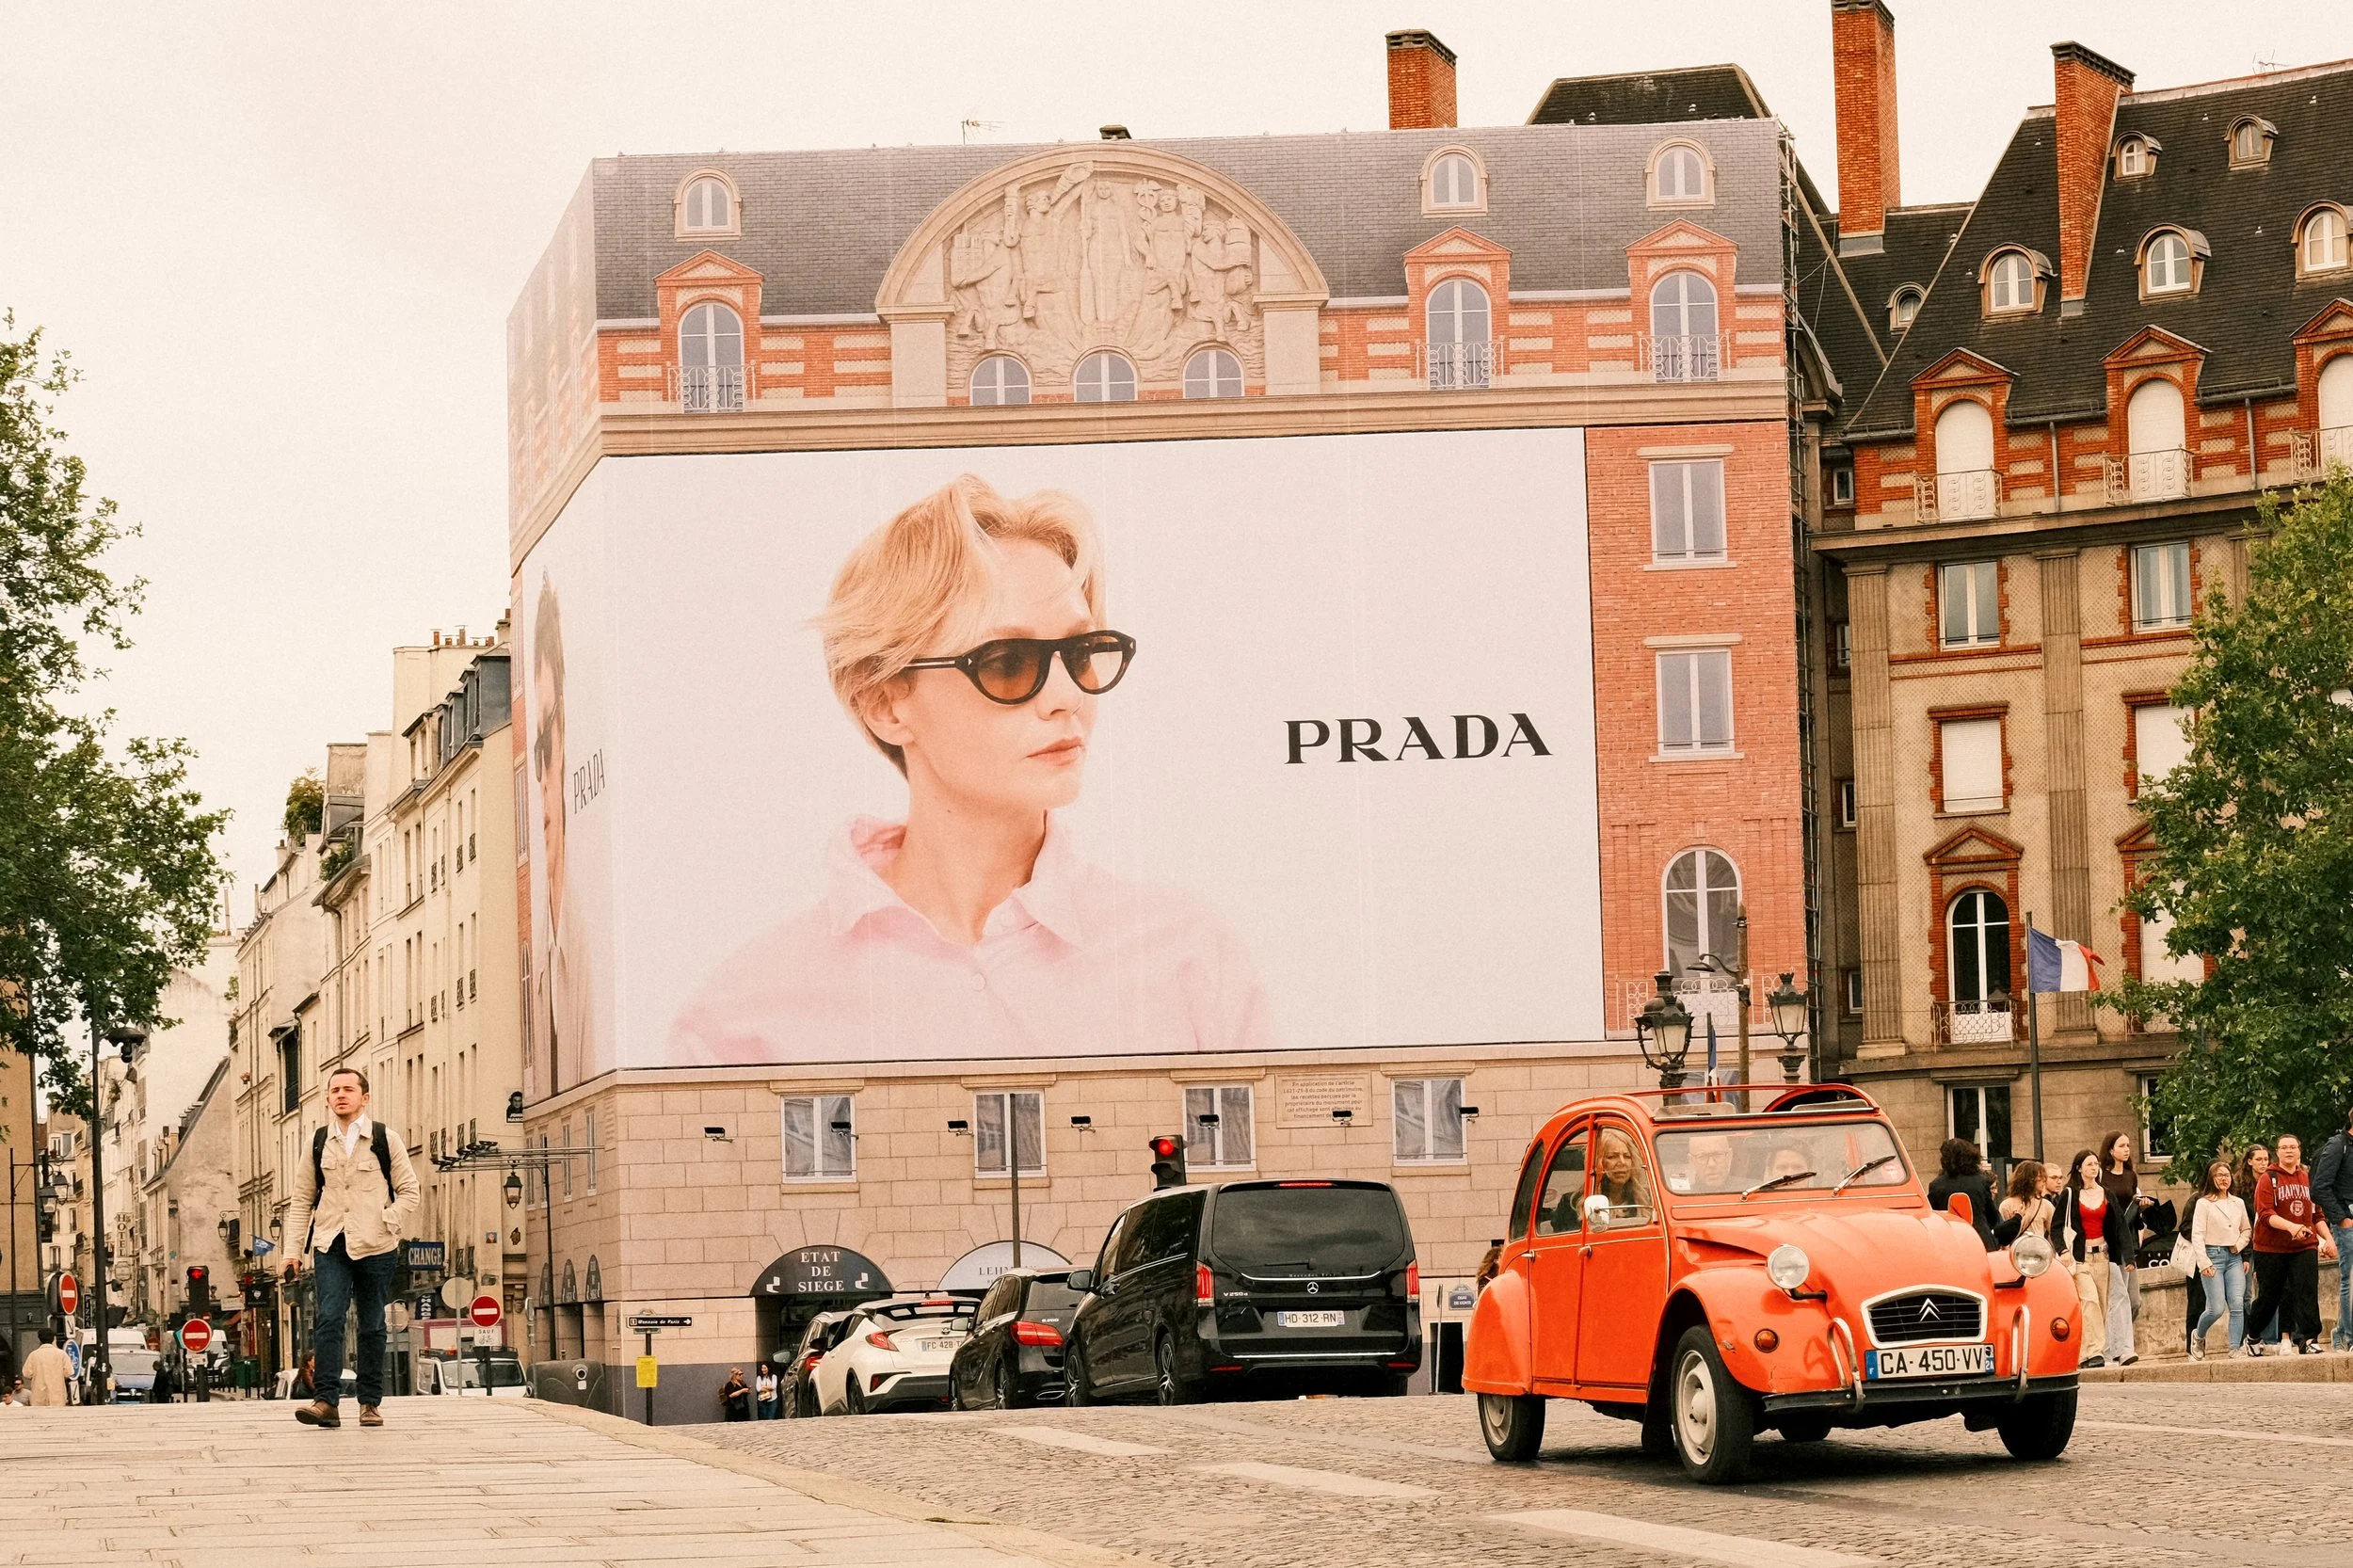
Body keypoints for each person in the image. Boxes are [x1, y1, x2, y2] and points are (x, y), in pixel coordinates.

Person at [669, 476, 1273, 1068]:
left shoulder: (1188, 960)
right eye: (1007, 662)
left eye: (1083, 651)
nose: (1066, 696)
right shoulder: (741, 1021)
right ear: (884, 703)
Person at [281, 1065, 422, 1430]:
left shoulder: (384, 1139)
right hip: (331, 1241)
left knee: (372, 1323)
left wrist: (388, 1219)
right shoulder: (317, 1143)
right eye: (334, 1090)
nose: (341, 1095)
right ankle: (325, 1401)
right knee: (329, 1317)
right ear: (327, 1099)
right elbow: (301, 1201)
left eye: (348, 1089)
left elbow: (410, 1191)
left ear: (365, 1097)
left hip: (376, 1243)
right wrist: (291, 1252)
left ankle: (370, 1403)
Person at [2249, 1131, 2332, 1355]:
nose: (2288, 1151)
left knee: (2307, 1292)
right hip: (2271, 1248)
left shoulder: (2307, 1179)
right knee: (2269, 1297)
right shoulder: (2269, 1178)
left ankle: (2308, 1339)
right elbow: (2265, 1213)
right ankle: (2253, 1335)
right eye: (2284, 1147)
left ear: (2299, 1151)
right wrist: (2292, 1227)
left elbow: (2317, 1216)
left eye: (2292, 1147)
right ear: (2277, 1152)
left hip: (2304, 1246)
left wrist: (2329, 1239)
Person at [2096, 1129, 2153, 1365]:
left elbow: (2131, 1207)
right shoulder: (2102, 1176)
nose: (2127, 1149)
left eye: (2128, 1145)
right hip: (2111, 1242)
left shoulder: (2130, 1175)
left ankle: (2117, 1343)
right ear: (2110, 1150)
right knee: (2117, 1297)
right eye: (2121, 1146)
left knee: (2134, 1300)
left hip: (2129, 1240)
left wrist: (2142, 1206)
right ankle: (2118, 1349)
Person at [2188, 1158, 2252, 1359]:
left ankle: (2235, 1347)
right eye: (2219, 1176)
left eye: (2226, 1175)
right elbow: (2197, 1235)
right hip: (2212, 1255)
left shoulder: (2238, 1202)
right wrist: (2204, 1262)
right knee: (2216, 1308)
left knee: (2237, 1303)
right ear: (2212, 1178)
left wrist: (2240, 1246)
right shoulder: (2203, 1203)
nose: (2224, 1179)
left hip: (2233, 1255)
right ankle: (2198, 1335)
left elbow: (2247, 1229)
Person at [2053, 1149, 2111, 1368]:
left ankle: (2084, 1354)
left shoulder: (2106, 1193)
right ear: (2079, 1168)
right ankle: (2095, 1353)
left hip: (2103, 1255)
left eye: (2096, 1164)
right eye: (2089, 1164)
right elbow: (2057, 1226)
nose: (2094, 1168)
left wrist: (2126, 1254)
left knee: (2102, 1306)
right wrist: (2063, 1251)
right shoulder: (2070, 1194)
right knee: (2089, 1302)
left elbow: (2117, 1226)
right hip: (2081, 1257)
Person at [2314, 1103, 2353, 1352]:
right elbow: (2319, 1187)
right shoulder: (2338, 1145)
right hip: (2348, 1218)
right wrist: (2342, 1218)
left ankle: (2342, 1331)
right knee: (2350, 1279)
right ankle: (2347, 1336)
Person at [1928, 1138, 1999, 1251]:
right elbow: (1993, 1217)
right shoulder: (1980, 1181)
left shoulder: (1936, 1185)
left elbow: (1932, 1217)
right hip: (1980, 1239)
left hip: (1951, 1241)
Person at [1997, 1160, 2054, 1246]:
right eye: (2040, 1179)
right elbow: (2002, 1236)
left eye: (2044, 1179)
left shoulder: (2046, 1205)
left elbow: (2055, 1233)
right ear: (2029, 1180)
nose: (2043, 1182)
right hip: (2016, 1254)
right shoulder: (2006, 1205)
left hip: (2039, 1254)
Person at [21, 1329, 71, 1408]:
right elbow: (69, 1372)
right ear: (53, 1339)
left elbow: (26, 1373)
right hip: (57, 1396)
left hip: (38, 1396)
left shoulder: (33, 1355)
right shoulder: (61, 1354)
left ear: (39, 1339)